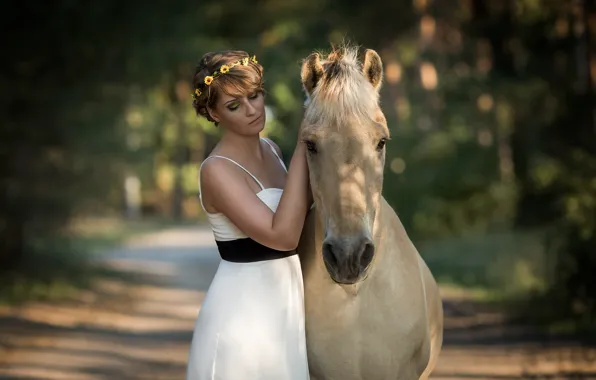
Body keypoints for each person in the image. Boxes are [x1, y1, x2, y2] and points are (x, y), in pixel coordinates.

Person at [185, 50, 311, 380]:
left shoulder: (271, 150)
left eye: (254, 95)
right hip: (242, 321)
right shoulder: (216, 170)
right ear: (213, 112)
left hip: (285, 311)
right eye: (234, 105)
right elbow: (282, 236)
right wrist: (303, 146)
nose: (252, 110)